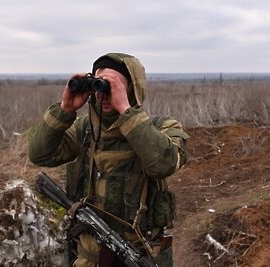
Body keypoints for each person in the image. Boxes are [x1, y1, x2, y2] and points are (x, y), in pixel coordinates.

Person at [29, 53, 189, 267]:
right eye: (98, 85)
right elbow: (40, 154)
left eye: (112, 86)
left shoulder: (162, 127)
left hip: (136, 256)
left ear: (132, 90)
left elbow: (165, 163)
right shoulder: (85, 129)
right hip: (86, 258)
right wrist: (65, 109)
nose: (102, 95)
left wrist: (126, 111)